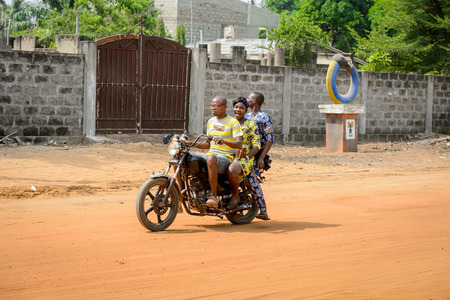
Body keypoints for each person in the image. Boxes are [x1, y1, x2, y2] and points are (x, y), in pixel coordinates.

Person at [196, 96, 243, 209]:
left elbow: (239, 144)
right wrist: (188, 143)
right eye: (211, 106)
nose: (213, 108)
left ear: (224, 107)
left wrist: (224, 141)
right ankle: (180, 196)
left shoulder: (233, 122)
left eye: (216, 106)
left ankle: (213, 197)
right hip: (211, 155)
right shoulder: (211, 121)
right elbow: (207, 144)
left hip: (226, 157)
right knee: (183, 156)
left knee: (211, 158)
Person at [227, 97, 261, 210]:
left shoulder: (251, 125)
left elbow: (257, 145)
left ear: (246, 110)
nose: (238, 110)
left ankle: (235, 195)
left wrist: (247, 156)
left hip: (243, 157)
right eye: (236, 107)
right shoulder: (229, 123)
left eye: (241, 108)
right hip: (227, 154)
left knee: (232, 170)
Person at [245, 92, 274, 220]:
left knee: (253, 181)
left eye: (249, 99)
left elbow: (269, 139)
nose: (247, 100)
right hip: (244, 153)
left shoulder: (264, 117)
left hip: (256, 155)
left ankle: (263, 210)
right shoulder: (246, 116)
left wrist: (262, 157)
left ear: (255, 101)